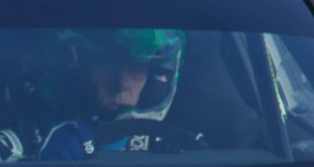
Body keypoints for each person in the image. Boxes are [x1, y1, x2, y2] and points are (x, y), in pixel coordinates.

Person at [34, 27, 197, 160]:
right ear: (84, 65)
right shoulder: (32, 128)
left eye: (136, 67)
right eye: (109, 63)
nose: (122, 84)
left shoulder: (190, 149)